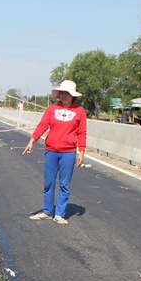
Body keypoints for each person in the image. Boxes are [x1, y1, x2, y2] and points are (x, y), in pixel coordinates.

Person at [23, 80, 87, 225]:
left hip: (68, 153)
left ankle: (59, 213)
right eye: (62, 93)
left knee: (64, 183)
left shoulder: (79, 111)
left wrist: (81, 152)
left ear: (73, 96)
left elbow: (82, 132)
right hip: (51, 151)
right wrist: (32, 140)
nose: (64, 96)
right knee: (49, 182)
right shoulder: (52, 109)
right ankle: (47, 211)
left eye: (67, 93)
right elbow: (43, 125)